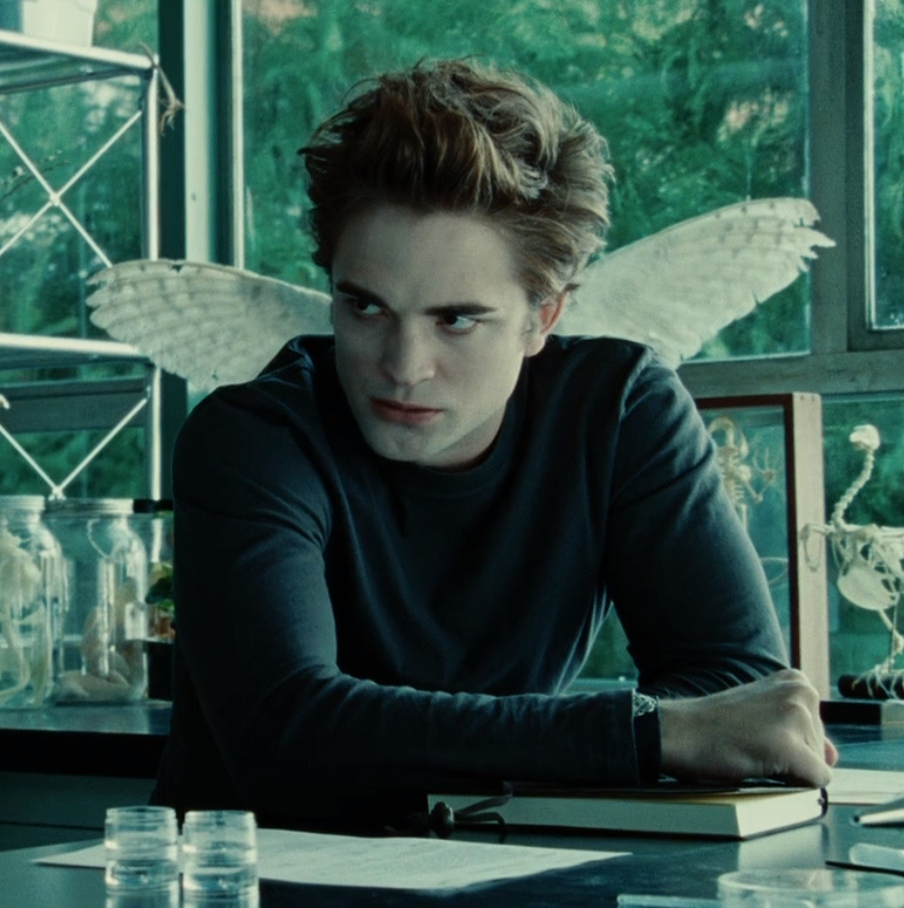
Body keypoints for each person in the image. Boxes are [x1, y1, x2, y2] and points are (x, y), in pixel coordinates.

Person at [155, 59, 836, 831]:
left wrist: (632, 735)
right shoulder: (251, 438)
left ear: (541, 317)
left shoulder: (619, 409)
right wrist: (639, 735)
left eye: (455, 319)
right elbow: (287, 731)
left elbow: (737, 692)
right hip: (246, 874)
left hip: (509, 858)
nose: (402, 366)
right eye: (365, 307)